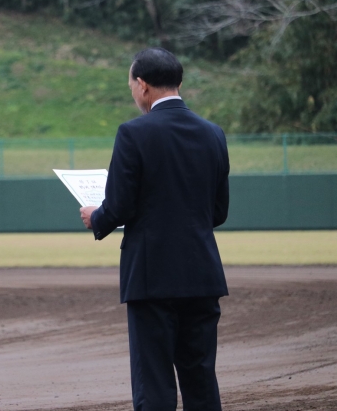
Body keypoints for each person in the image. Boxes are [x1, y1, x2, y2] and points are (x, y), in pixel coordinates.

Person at [80, 48, 229, 411]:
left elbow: (119, 205)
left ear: (142, 85)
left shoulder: (133, 133)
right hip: (202, 273)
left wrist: (97, 217)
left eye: (132, 85)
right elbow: (218, 211)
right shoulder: (213, 133)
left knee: (155, 382)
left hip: (152, 276)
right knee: (201, 380)